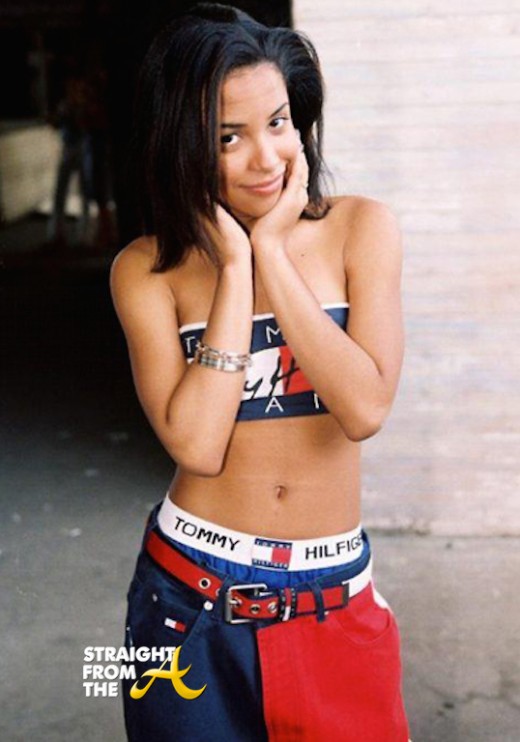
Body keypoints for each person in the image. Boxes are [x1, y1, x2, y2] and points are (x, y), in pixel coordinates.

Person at [110, 3, 410, 740]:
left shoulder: (362, 228)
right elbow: (198, 446)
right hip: (185, 601)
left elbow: (364, 408)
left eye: (277, 123)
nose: (267, 158)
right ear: (183, 145)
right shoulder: (144, 270)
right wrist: (235, 267)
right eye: (228, 137)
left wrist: (271, 252)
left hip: (334, 594)